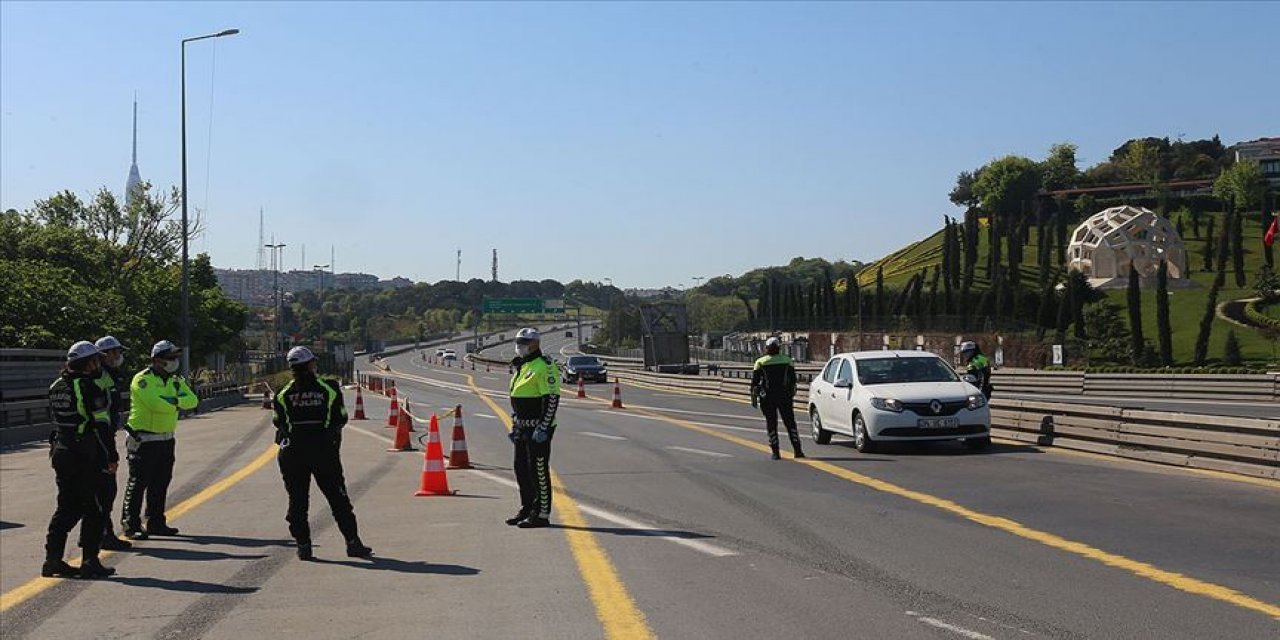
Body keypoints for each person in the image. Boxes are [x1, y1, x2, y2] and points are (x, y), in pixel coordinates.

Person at [273, 346, 371, 560]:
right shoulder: (330, 388)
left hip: (292, 453)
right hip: (322, 451)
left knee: (297, 501)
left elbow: (277, 421)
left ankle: (303, 546)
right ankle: (353, 543)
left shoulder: (282, 393)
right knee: (338, 499)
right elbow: (342, 417)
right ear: (310, 365)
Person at [43, 341, 115, 579]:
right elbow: (102, 425)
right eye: (96, 360)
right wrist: (111, 456)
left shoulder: (56, 385)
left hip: (61, 450)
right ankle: (90, 562)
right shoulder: (90, 387)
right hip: (84, 453)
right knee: (93, 507)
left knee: (66, 507)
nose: (99, 364)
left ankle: (52, 561)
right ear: (88, 363)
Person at [121, 340, 197, 540]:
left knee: (161, 483)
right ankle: (131, 524)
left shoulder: (176, 380)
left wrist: (175, 401)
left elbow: (193, 400)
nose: (174, 362)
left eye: (175, 358)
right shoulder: (142, 380)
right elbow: (156, 404)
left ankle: (156, 521)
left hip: (166, 438)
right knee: (138, 483)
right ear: (156, 360)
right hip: (144, 439)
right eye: (169, 358)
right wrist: (177, 403)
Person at [506, 328, 560, 529]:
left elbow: (552, 398)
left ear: (534, 344)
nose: (519, 346)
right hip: (521, 427)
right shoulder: (523, 366)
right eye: (518, 342)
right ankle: (527, 508)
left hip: (538, 428)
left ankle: (541, 513)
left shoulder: (544, 366)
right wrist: (515, 423)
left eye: (523, 342)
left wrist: (544, 427)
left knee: (537, 470)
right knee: (521, 469)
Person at [93, 336, 132, 551]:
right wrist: (109, 451)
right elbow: (100, 414)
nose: (119, 357)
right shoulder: (99, 378)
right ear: (104, 355)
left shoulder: (110, 375)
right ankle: (102, 534)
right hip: (99, 438)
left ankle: (95, 533)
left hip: (104, 436)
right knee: (104, 490)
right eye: (115, 353)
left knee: (103, 490)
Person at [751, 337, 805, 460]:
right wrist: (791, 394)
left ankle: (776, 452)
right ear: (779, 347)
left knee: (771, 424)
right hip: (784, 396)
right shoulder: (787, 360)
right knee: (790, 423)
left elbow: (754, 383)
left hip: (768, 397)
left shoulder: (760, 362)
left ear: (767, 348)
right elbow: (793, 380)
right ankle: (798, 450)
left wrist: (754, 398)